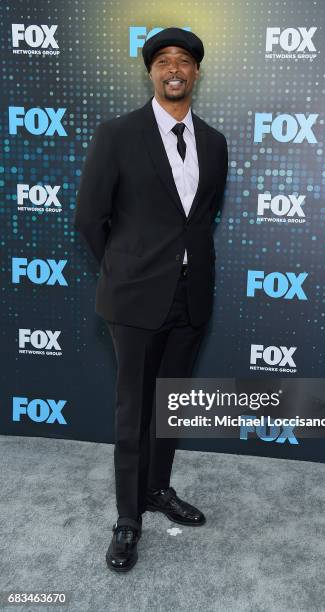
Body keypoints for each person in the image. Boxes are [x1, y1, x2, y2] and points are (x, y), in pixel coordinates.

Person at [74, 27, 228, 572]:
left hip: (192, 297)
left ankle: (158, 489)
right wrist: (126, 268)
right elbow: (90, 217)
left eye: (184, 60)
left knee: (170, 407)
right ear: (151, 72)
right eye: (163, 60)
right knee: (132, 411)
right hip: (135, 299)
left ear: (196, 73)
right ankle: (127, 517)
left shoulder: (213, 141)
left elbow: (203, 219)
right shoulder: (117, 134)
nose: (174, 68)